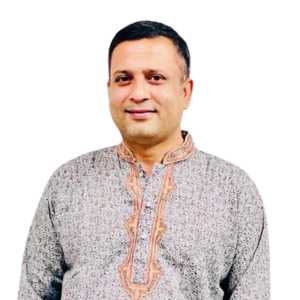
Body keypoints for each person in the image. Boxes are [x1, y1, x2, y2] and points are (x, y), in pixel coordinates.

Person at [17, 20, 270, 300]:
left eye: (155, 77)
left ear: (185, 92)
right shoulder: (68, 182)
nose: (138, 93)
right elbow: (33, 293)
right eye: (124, 78)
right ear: (109, 88)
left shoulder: (233, 191)